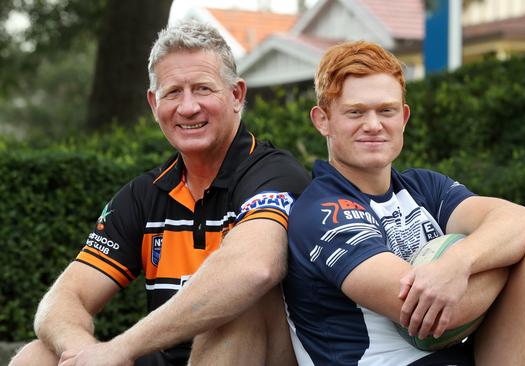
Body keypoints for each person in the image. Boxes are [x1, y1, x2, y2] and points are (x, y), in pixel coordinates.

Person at [283, 40, 525, 365]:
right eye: (355, 112)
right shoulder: (322, 210)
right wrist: (505, 253)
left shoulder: (423, 186)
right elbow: (431, 318)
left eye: (387, 110)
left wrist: (460, 262)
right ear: (322, 121)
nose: (374, 124)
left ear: (404, 117)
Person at [10, 20, 310, 366]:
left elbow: (255, 269)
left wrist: (121, 348)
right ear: (154, 104)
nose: (187, 107)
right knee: (38, 355)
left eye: (202, 89)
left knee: (239, 305)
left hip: (252, 352)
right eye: (172, 92)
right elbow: (62, 299)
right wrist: (81, 352)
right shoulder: (145, 194)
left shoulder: (273, 173)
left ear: (237, 95)